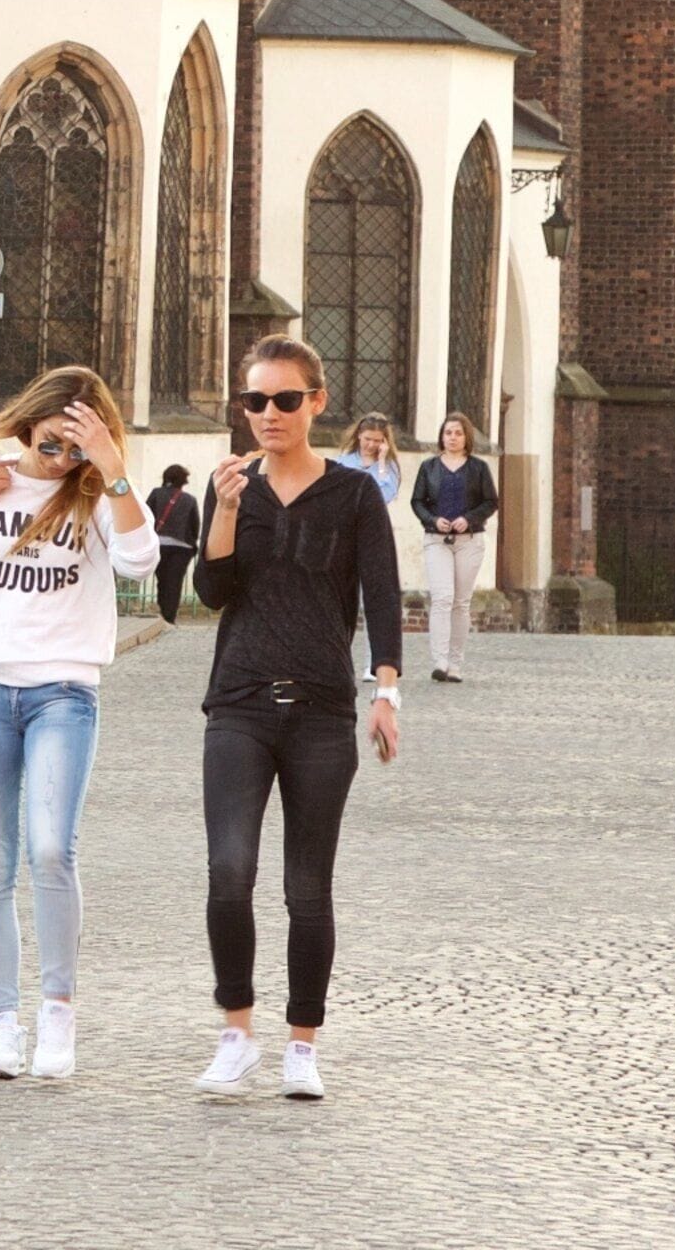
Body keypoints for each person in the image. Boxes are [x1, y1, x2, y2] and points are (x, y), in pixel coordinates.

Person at [0, 364, 158, 1080]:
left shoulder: (94, 491)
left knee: (51, 850)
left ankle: (58, 1011)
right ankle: (1, 1024)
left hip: (62, 693)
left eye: (77, 448)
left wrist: (112, 471)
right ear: (29, 424)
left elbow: (141, 563)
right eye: (53, 444)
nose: (61, 461)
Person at [192, 335, 402, 1104]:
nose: (269, 415)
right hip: (238, 704)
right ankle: (236, 1033)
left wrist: (387, 693)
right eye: (255, 401)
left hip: (320, 711)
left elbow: (380, 595)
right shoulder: (233, 486)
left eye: (285, 400)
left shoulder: (351, 495)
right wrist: (224, 510)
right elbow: (209, 595)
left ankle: (302, 1046)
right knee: (228, 872)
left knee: (307, 888)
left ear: (317, 401)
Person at [408, 412, 499, 685]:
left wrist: (468, 519)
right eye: (448, 433)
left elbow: (490, 501)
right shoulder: (429, 468)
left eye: (458, 433)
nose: (452, 438)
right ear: (442, 436)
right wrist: (433, 519)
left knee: (461, 602)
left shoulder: (478, 468)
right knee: (442, 597)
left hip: (469, 541)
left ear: (466, 437)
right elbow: (417, 501)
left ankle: (456, 662)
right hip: (437, 540)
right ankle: (440, 660)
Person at [147, 463, 201, 625]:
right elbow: (195, 526)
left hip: (159, 545)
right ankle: (169, 616)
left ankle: (163, 613)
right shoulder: (190, 500)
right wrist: (192, 545)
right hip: (182, 548)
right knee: (174, 582)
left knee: (162, 580)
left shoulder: (156, 494)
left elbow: (146, 516)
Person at [344, 413, 407, 516]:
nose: (371, 445)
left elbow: (386, 496)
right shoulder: (344, 462)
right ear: (359, 435)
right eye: (367, 439)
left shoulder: (389, 466)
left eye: (377, 441)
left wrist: (381, 462)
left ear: (384, 441)